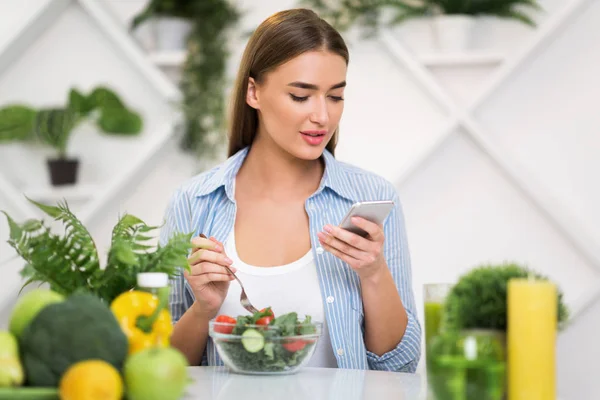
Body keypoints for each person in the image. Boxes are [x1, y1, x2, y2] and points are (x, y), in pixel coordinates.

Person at [159, 8, 421, 372]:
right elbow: (159, 368)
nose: (322, 117)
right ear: (254, 92)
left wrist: (373, 273)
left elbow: (400, 366)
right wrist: (204, 308)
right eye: (301, 96)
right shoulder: (194, 202)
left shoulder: (370, 199)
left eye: (335, 97)